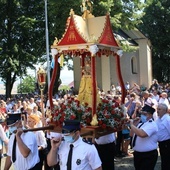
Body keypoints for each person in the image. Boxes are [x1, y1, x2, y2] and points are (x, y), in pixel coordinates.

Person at [130, 105, 158, 170]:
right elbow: (131, 134)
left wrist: (131, 125)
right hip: (138, 154)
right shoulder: (141, 124)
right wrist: (134, 124)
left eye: (144, 114)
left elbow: (142, 134)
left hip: (148, 155)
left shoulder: (152, 124)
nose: (142, 115)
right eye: (141, 113)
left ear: (150, 115)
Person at [156, 103, 170, 170]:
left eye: (159, 109)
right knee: (164, 160)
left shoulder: (167, 119)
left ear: (164, 110)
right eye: (157, 109)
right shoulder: (158, 119)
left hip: (167, 143)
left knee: (167, 161)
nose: (157, 111)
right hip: (161, 144)